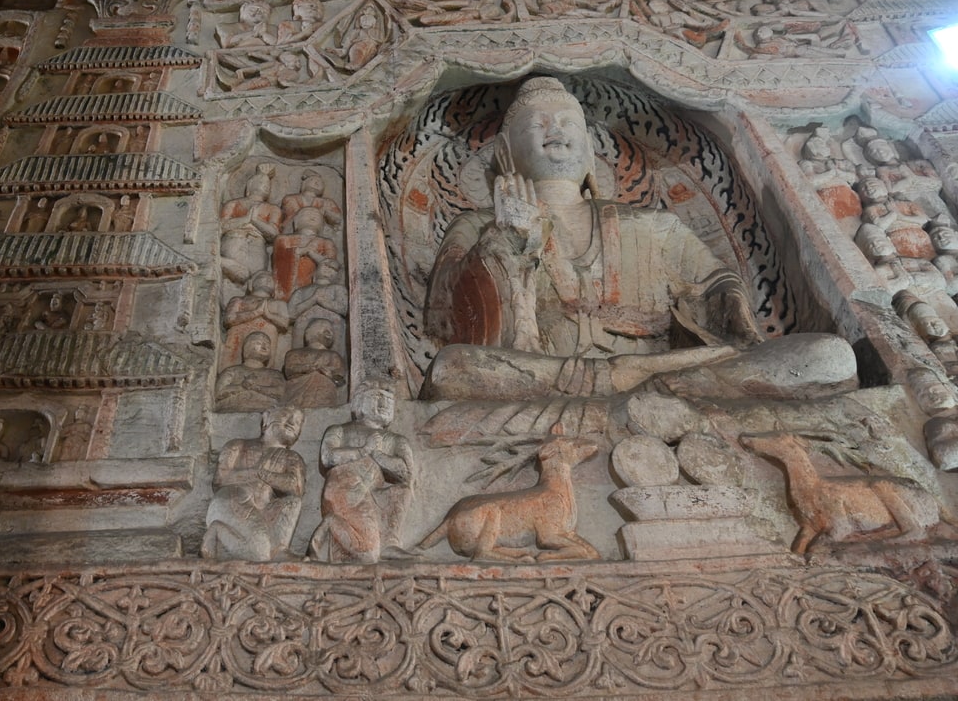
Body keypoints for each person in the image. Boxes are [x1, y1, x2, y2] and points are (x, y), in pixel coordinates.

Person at [422, 76, 856, 401]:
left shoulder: (655, 225)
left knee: (829, 356)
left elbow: (719, 291)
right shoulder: (479, 224)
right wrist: (505, 239)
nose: (556, 130)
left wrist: (728, 319)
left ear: (590, 151)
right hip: (545, 373)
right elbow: (447, 319)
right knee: (452, 369)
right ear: (505, 152)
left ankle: (644, 379)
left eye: (568, 123)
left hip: (657, 365)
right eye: (538, 124)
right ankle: (647, 388)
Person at [310, 381, 414, 563]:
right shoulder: (339, 430)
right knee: (367, 555)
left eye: (389, 400)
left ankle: (390, 543)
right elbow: (328, 458)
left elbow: (406, 474)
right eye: (377, 397)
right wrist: (362, 450)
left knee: (403, 492)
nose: (384, 404)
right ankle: (330, 527)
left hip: (371, 492)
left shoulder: (396, 440)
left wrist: (377, 454)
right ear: (358, 402)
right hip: (345, 487)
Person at [202, 406, 306, 561]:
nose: (292, 422)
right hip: (233, 499)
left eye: (298, 422)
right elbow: (220, 480)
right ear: (266, 419)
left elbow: (295, 487)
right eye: (285, 415)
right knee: (260, 554)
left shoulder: (292, 457)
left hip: (263, 508)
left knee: (293, 502)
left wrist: (263, 474)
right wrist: (257, 474)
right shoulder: (237, 446)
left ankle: (279, 549)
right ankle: (216, 533)